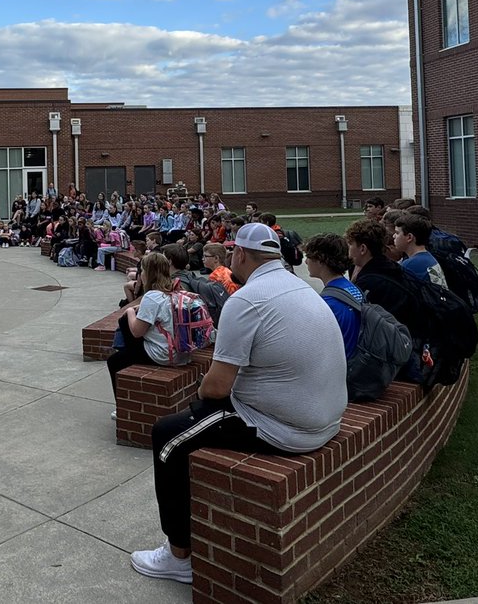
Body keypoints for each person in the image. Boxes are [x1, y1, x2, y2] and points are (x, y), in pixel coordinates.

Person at [131, 223, 347, 585]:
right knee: (196, 416)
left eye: (232, 251)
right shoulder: (299, 286)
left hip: (285, 427)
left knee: (167, 435)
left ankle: (178, 555)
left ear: (241, 254)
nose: (230, 256)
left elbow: (217, 387)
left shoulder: (247, 299)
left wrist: (199, 396)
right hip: (326, 416)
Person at [107, 252, 190, 405]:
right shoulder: (176, 289)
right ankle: (126, 354)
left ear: (149, 273)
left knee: (115, 360)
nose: (142, 274)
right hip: (182, 352)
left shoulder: (152, 296)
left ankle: (121, 406)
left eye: (143, 270)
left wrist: (130, 311)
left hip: (163, 355)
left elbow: (137, 332)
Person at [302, 233, 362, 359]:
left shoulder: (327, 303)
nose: (306, 262)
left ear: (320, 260)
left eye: (308, 257)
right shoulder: (354, 289)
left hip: (342, 365)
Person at [392, 214, 447, 288]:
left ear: (409, 237)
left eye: (397, 233)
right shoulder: (427, 258)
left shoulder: (411, 264)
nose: (393, 236)